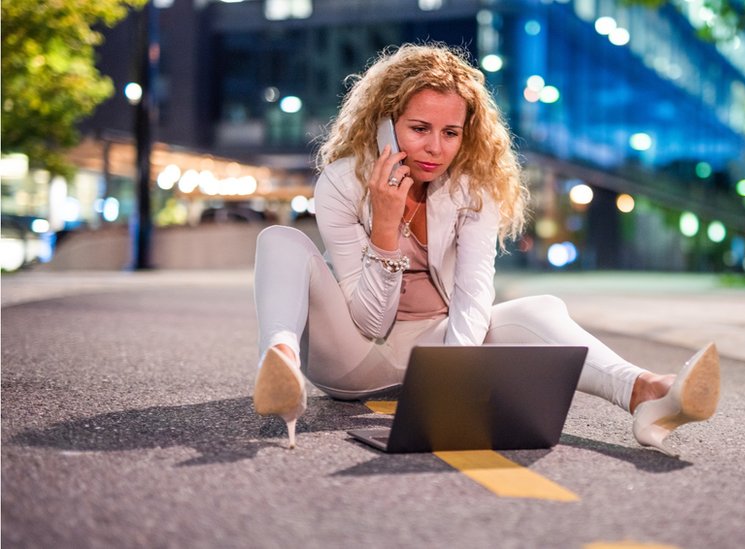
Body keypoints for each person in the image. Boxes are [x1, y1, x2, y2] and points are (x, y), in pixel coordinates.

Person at [251, 43, 720, 455]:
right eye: (419, 128)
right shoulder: (342, 182)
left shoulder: (475, 188)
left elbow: (474, 293)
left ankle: (645, 393)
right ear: (385, 126)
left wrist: (452, 382)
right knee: (280, 241)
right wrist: (386, 224)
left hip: (434, 353)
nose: (436, 148)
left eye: (451, 133)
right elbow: (367, 320)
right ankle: (282, 366)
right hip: (351, 357)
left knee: (540, 308)